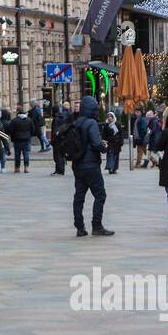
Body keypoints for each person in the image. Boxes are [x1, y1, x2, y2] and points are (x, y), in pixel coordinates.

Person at [71, 95, 113, 237]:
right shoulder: (91, 123)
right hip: (91, 166)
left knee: (79, 197)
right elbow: (96, 143)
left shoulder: (77, 122)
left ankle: (80, 227)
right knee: (100, 194)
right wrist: (104, 146)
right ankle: (97, 225)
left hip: (78, 164)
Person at [8, 106, 35, 173]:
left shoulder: (14, 120)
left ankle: (17, 168)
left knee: (17, 154)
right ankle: (26, 168)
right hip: (26, 139)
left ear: (17, 112)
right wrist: (29, 135)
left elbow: (11, 130)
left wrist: (13, 137)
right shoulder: (29, 120)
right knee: (26, 154)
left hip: (17, 139)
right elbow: (33, 129)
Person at [53, 101, 73, 175]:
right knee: (60, 154)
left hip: (59, 137)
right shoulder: (70, 114)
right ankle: (59, 169)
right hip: (64, 136)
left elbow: (56, 128)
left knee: (58, 154)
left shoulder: (58, 117)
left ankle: (60, 170)